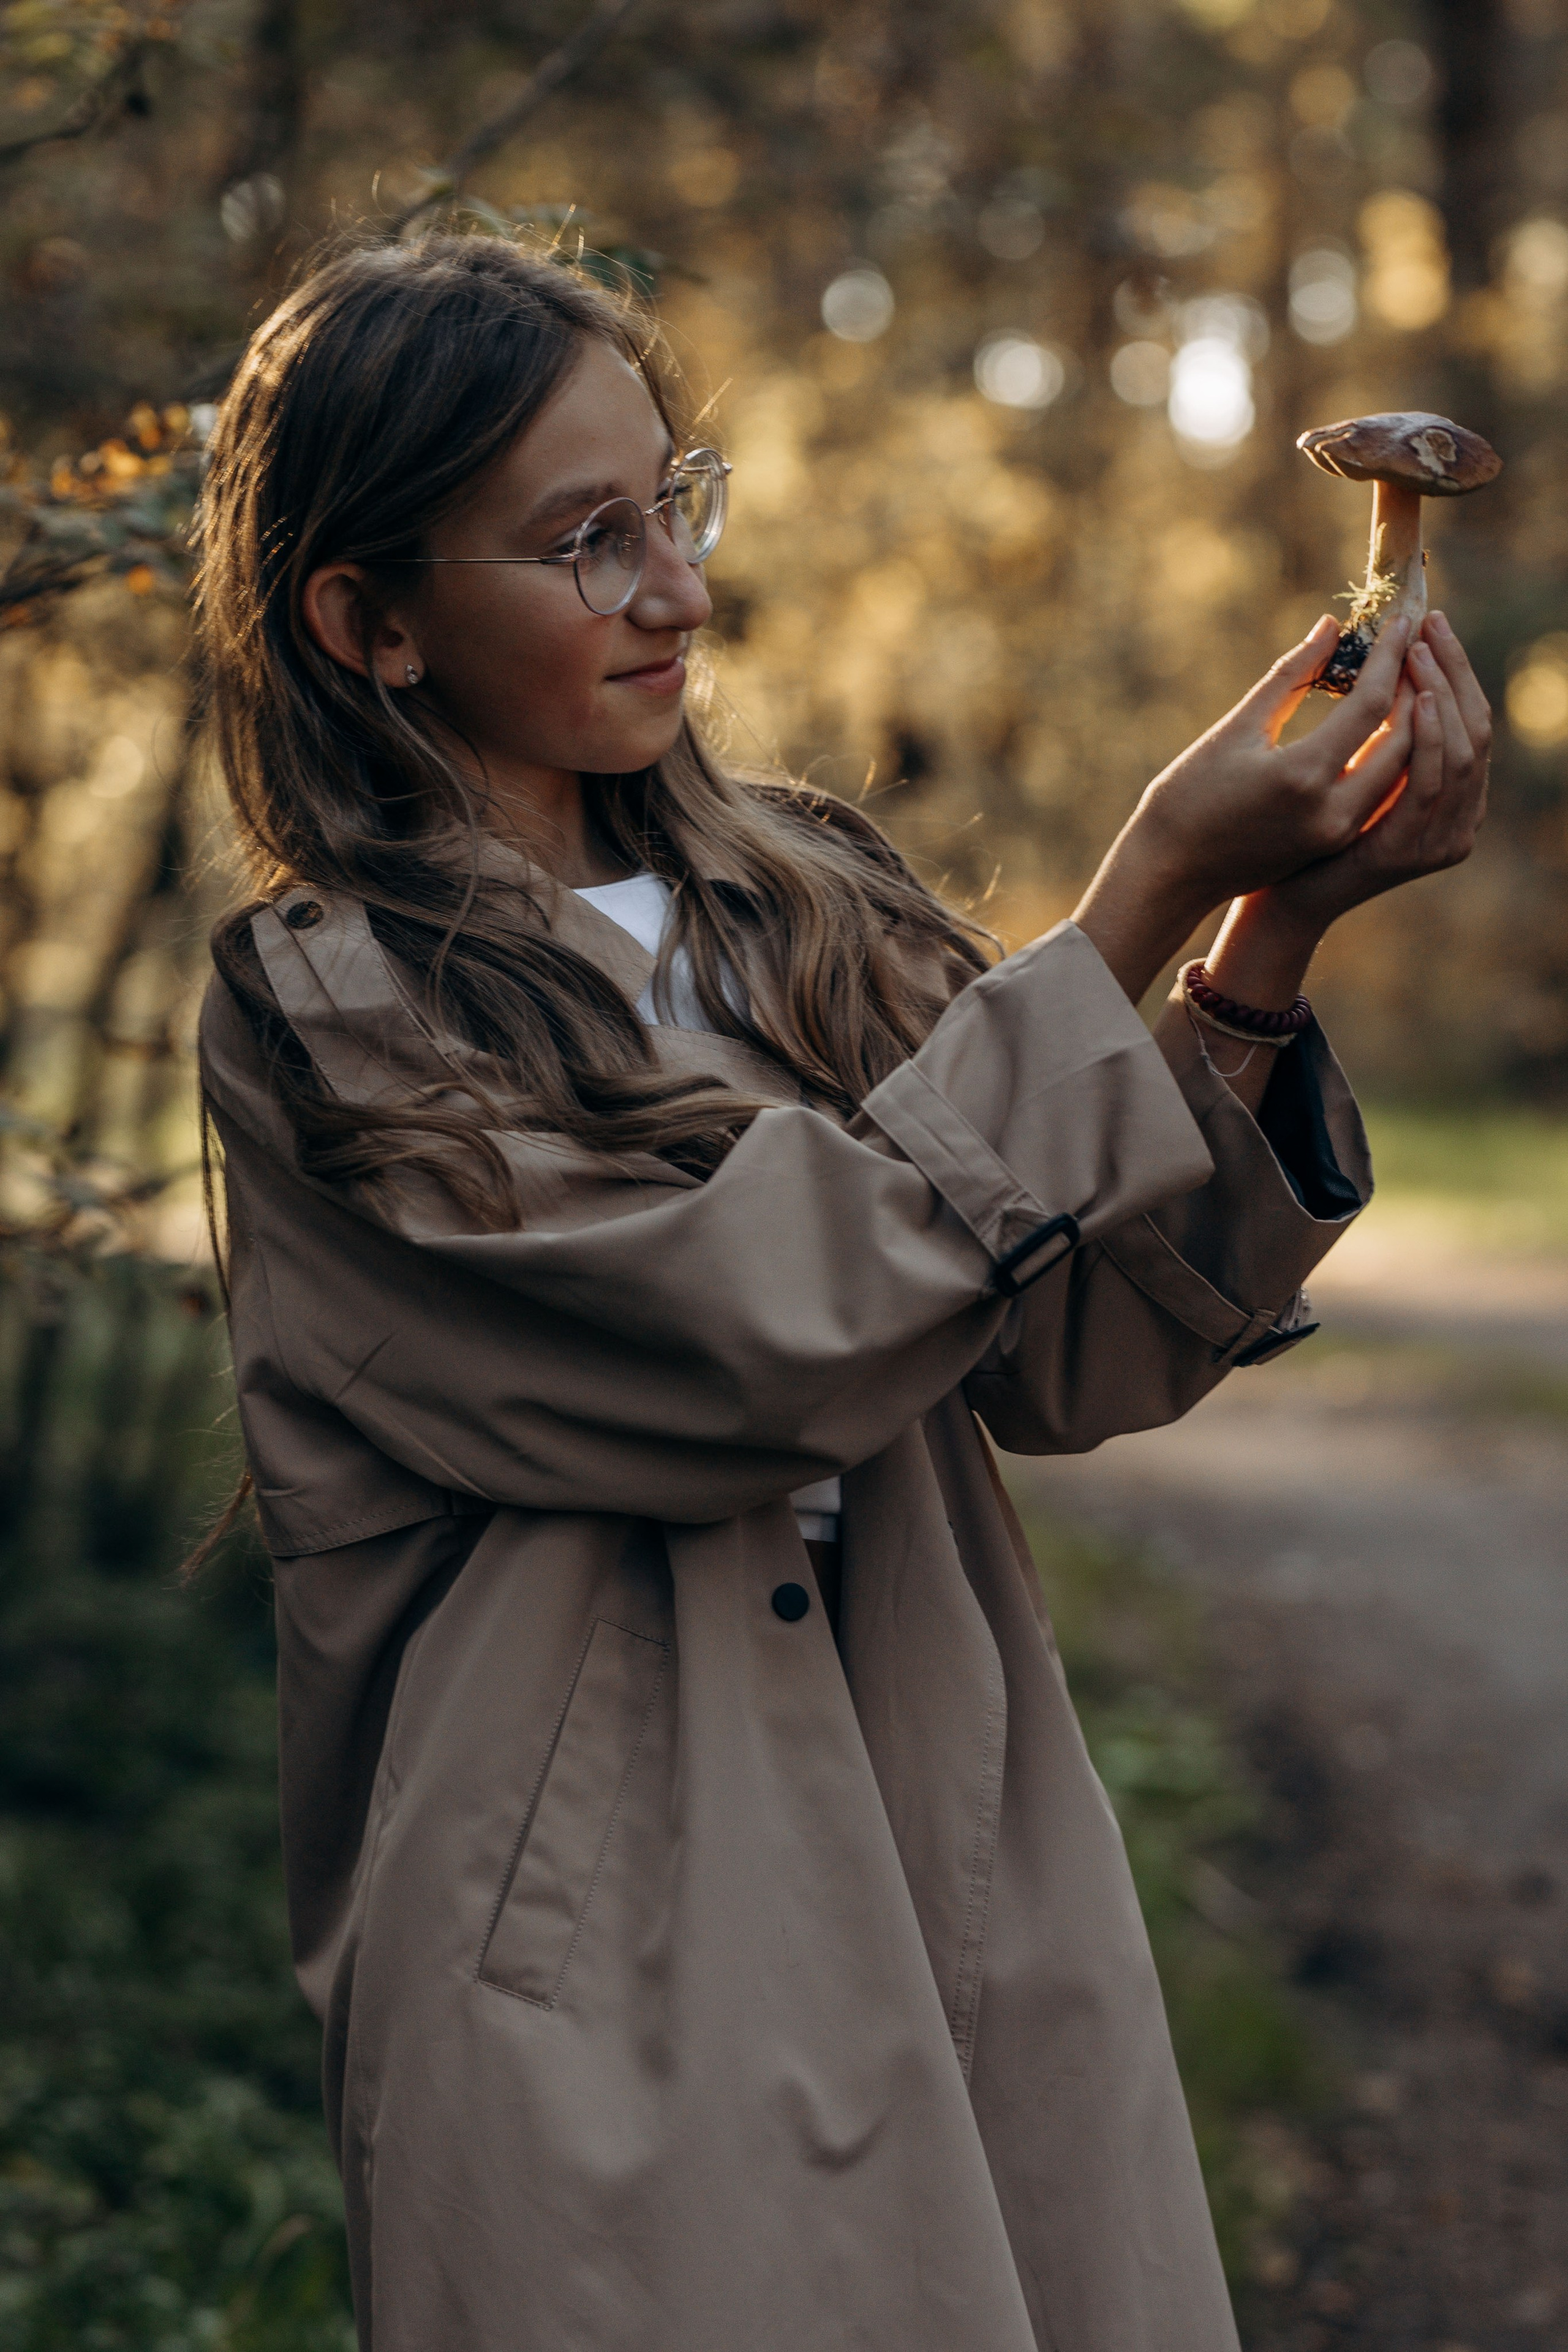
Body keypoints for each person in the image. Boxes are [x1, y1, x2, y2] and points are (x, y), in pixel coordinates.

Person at [193, 233, 1490, 2352]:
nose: (675, 593)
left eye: (673, 508)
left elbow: (1077, 1348)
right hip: (601, 1952)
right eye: (582, 542)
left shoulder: (807, 900)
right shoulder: (328, 1008)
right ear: (373, 621)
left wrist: (1256, 945)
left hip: (949, 1845)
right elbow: (737, 1346)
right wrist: (1134, 895)